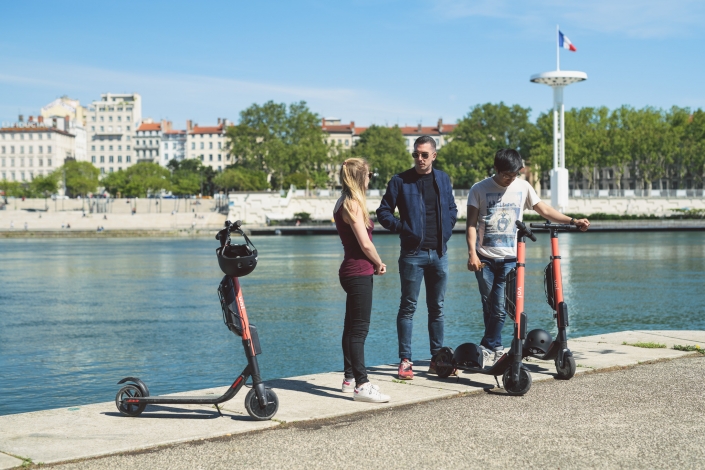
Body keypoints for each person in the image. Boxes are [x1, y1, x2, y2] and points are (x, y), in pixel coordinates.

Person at [466, 148, 590, 366]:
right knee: (489, 306)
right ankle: (492, 346)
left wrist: (572, 220)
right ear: (496, 169)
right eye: (506, 175)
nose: (510, 179)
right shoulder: (479, 189)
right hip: (484, 259)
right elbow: (471, 225)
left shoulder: (523, 187)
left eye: (514, 175)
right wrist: (471, 254)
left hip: (511, 259)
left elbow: (544, 210)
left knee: (499, 307)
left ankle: (490, 347)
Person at [377, 136, 458, 380]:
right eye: (416, 154)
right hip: (413, 255)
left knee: (438, 309)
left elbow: (452, 209)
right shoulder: (400, 181)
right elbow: (383, 212)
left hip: (440, 254)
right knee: (408, 307)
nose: (419, 159)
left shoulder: (443, 179)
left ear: (434, 155)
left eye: (424, 154)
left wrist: (448, 227)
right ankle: (405, 360)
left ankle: (437, 359)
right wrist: (404, 228)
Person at [334, 157, 390, 403]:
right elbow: (365, 243)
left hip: (350, 270)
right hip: (358, 271)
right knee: (359, 331)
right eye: (368, 175)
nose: (370, 179)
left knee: (350, 328)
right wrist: (379, 262)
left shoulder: (341, 202)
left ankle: (348, 379)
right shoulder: (353, 205)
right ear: (360, 177)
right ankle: (361, 384)